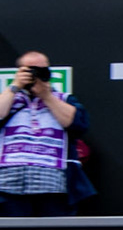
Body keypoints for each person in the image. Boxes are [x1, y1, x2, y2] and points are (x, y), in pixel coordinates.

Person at [0, 51, 92, 217]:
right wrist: (15, 87)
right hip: (8, 185)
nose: (35, 74)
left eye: (42, 70)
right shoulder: (8, 98)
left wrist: (46, 96)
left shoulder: (63, 99)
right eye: (30, 70)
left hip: (53, 185)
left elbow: (77, 124)